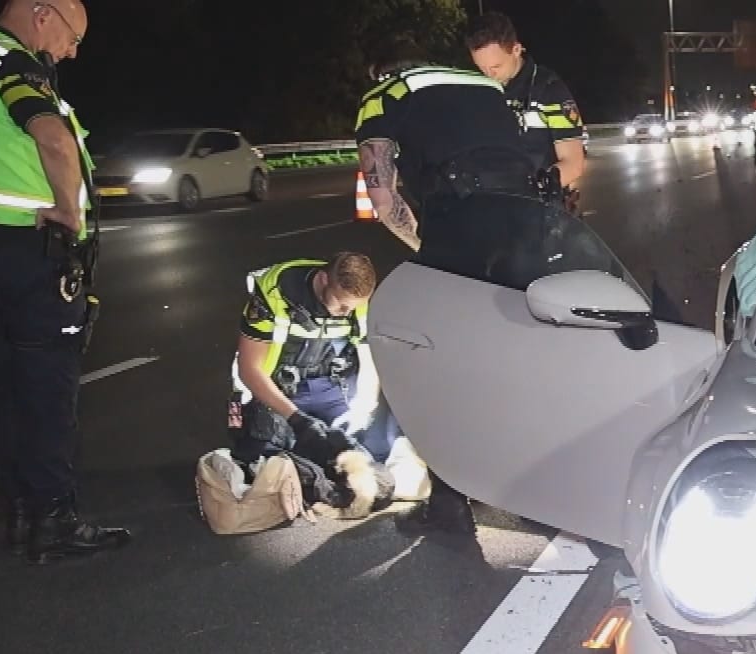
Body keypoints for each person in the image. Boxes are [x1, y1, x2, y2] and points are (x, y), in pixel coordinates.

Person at [355, 50, 549, 533]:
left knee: (446, 359)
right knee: (519, 350)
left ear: (377, 69)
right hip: (529, 214)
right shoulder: (481, 83)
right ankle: (542, 490)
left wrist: (428, 247)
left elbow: (383, 201)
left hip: (461, 210)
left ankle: (449, 500)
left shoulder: (384, 94)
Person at [0, 0, 127, 563]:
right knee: (49, 390)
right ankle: (54, 518)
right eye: (72, 35)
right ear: (40, 13)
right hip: (27, 250)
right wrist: (70, 212)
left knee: (5, 388)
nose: (72, 51)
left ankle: (18, 509)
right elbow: (53, 139)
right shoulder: (11, 62)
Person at [227, 253, 398, 468]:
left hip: (332, 385)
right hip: (277, 388)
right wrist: (298, 421)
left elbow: (368, 360)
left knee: (366, 452)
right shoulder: (274, 294)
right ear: (323, 279)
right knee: (264, 460)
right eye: (341, 304)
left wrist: (364, 407)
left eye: (353, 308)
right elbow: (249, 369)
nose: (347, 313)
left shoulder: (355, 303)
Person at [463, 11, 584, 207]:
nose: (489, 76)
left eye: (496, 67)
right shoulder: (481, 91)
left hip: (543, 210)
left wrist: (530, 190)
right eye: (482, 69)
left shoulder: (550, 90)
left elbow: (573, 163)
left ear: (517, 49)